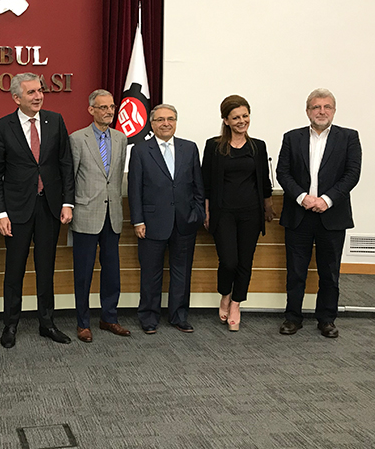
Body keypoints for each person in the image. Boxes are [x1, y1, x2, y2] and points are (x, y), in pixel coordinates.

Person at [0, 72, 75, 348]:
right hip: (16, 210)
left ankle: (47, 323)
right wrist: (1, 213)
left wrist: (67, 202)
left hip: (49, 207)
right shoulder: (1, 127)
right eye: (31, 92)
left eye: (40, 91)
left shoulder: (55, 120)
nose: (38, 96)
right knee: (14, 270)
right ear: (17, 97)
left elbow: (65, 164)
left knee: (46, 268)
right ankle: (10, 325)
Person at [276, 88, 361, 338]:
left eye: (327, 107)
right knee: (296, 271)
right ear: (307, 111)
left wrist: (326, 200)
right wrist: (302, 197)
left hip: (332, 216)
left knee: (329, 273)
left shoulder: (349, 137)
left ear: (334, 110)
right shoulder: (292, 138)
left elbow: (352, 174)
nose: (321, 111)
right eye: (316, 107)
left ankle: (326, 319)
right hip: (299, 215)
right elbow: (283, 173)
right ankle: (293, 317)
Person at [128, 104, 205, 334]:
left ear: (176, 122)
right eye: (160, 119)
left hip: (185, 222)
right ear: (152, 124)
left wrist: (198, 214)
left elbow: (198, 185)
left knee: (182, 272)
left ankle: (179, 316)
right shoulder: (140, 150)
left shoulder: (189, 148)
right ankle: (149, 317)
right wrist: (138, 220)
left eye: (170, 119)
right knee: (151, 273)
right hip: (151, 222)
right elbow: (135, 189)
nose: (166, 123)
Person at [202, 95, 274, 331]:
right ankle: (225, 294)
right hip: (223, 213)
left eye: (245, 116)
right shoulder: (213, 146)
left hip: (251, 213)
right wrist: (207, 211)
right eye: (236, 117)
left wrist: (268, 207)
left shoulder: (258, 147)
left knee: (245, 261)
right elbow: (206, 183)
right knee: (229, 261)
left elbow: (264, 181)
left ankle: (235, 303)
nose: (242, 121)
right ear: (226, 120)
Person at [69, 89, 129, 342]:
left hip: (112, 214)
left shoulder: (121, 138)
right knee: (83, 273)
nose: (109, 111)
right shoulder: (77, 138)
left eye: (112, 107)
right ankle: (83, 323)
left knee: (112, 271)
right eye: (103, 107)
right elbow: (70, 177)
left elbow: (115, 177)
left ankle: (109, 317)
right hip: (86, 213)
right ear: (91, 110)